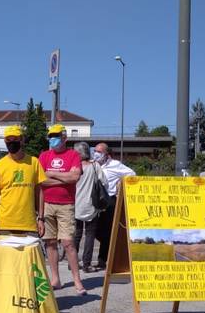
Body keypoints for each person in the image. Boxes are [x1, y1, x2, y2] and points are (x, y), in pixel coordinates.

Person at [39, 124, 85, 294]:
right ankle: (55, 279)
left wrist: (51, 174)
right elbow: (41, 181)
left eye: (56, 135)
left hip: (66, 205)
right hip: (47, 204)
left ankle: (77, 280)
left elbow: (74, 177)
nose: (53, 138)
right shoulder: (44, 156)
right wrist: (63, 178)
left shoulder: (73, 155)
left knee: (68, 243)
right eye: (51, 135)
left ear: (65, 137)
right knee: (50, 243)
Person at [0, 125, 46, 237]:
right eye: (8, 140)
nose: (11, 143)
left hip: (29, 224)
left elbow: (39, 192)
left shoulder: (34, 162)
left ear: (22, 140)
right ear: (4, 141)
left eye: (15, 139)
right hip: (5, 225)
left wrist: (41, 219)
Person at [92, 143, 135, 270]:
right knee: (95, 231)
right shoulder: (93, 164)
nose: (96, 153)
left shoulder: (114, 165)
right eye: (95, 151)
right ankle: (107, 255)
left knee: (106, 231)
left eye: (99, 151)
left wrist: (119, 182)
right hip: (94, 201)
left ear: (106, 153)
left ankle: (103, 260)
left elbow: (131, 173)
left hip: (109, 200)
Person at [72, 141, 108, 273]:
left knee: (76, 235)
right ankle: (86, 264)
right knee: (89, 235)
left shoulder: (74, 167)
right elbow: (104, 183)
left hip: (76, 205)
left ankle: (73, 263)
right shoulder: (94, 166)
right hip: (91, 206)